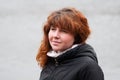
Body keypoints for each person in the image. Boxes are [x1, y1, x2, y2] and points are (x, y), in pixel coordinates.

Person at [36, 7, 104, 80]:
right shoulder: (51, 61)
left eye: (63, 31)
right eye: (53, 29)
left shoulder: (88, 67)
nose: (55, 35)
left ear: (77, 36)